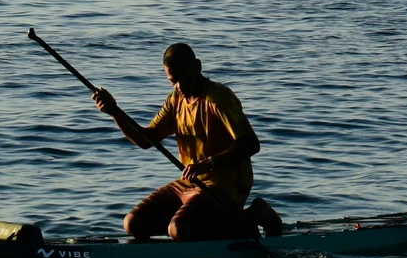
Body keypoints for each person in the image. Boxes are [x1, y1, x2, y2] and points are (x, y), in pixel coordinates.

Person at [91, 41, 282, 241]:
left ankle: (254, 214)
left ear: (197, 66)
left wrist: (208, 163)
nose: (179, 86)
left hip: (224, 187)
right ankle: (202, 231)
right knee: (133, 223)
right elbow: (147, 140)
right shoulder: (175, 100)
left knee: (179, 229)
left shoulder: (218, 98)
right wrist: (115, 112)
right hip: (189, 184)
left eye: (184, 78)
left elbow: (251, 144)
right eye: (173, 81)